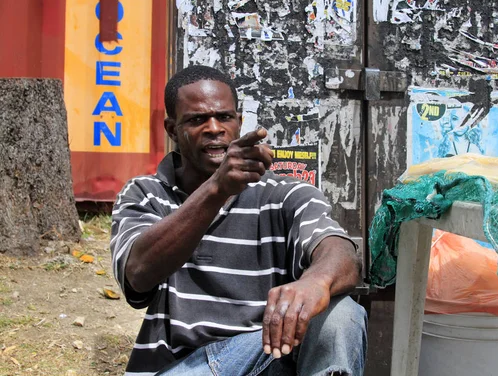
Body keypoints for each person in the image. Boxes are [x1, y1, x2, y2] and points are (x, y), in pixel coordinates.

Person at [110, 65, 367, 375]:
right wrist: (216, 189)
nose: (214, 128)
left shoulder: (284, 193)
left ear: (239, 122)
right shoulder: (146, 194)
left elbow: (341, 252)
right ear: (171, 129)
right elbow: (137, 275)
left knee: (341, 313)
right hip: (183, 366)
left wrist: (316, 283)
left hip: (268, 357)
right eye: (197, 120)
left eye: (225, 117)